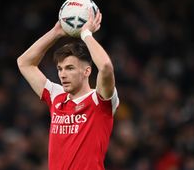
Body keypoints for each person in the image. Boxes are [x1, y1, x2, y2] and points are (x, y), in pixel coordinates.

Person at [17, 9, 119, 170]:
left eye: (70, 68)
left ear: (87, 71)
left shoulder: (99, 100)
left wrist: (86, 35)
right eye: (60, 68)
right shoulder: (56, 96)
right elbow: (24, 63)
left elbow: (106, 67)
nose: (62, 74)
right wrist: (55, 32)